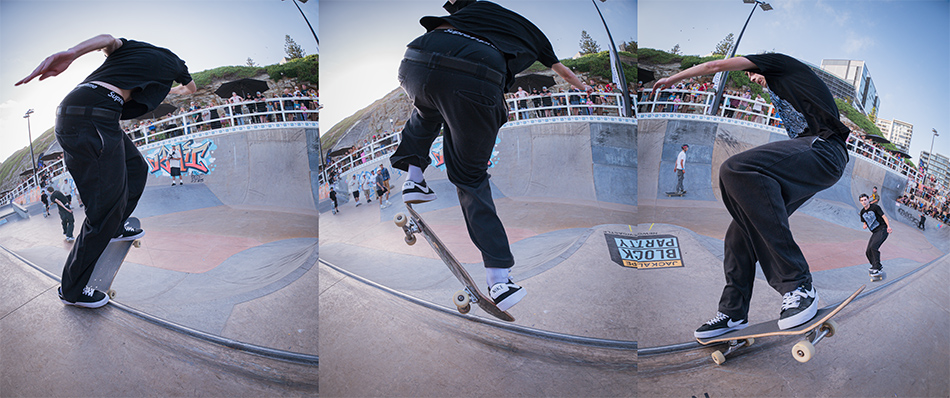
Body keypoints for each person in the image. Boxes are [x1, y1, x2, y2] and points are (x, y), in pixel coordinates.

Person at [389, 0, 590, 312]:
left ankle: (413, 178)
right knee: (469, 178)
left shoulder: (474, 7)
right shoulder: (538, 38)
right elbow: (563, 72)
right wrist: (586, 89)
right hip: (477, 74)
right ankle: (499, 281)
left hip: (416, 58)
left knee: (426, 109)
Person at [653, 52, 851, 336]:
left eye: (753, 73)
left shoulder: (780, 65)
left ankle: (799, 286)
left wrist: (673, 78)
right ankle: (733, 312)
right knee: (739, 233)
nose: (755, 80)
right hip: (811, 160)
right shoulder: (780, 90)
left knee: (736, 169)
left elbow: (715, 65)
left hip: (825, 151)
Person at [17, 34, 196, 308]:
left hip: (83, 112)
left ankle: (116, 225)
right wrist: (170, 89)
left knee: (136, 167)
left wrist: (71, 52)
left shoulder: (133, 47)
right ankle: (73, 290)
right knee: (103, 214)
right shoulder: (175, 65)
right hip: (95, 116)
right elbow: (191, 89)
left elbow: (106, 39)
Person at [859, 193, 891, 279]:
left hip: (883, 229)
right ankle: (876, 266)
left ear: (868, 200)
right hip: (875, 232)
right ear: (860, 202)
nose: (864, 202)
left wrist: (888, 226)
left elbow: (884, 217)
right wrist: (865, 225)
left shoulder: (875, 207)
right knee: (868, 251)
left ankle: (877, 267)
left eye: (865, 200)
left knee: (873, 247)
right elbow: (864, 220)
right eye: (862, 201)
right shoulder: (862, 212)